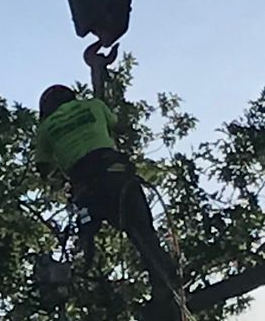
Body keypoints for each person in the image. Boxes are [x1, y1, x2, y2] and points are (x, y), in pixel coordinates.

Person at [33, 84, 177, 304]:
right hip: (118, 175)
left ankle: (82, 275)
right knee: (143, 233)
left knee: (86, 243)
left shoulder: (45, 128)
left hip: (89, 190)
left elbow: (44, 169)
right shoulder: (93, 105)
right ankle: (166, 280)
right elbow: (116, 126)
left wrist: (63, 175)